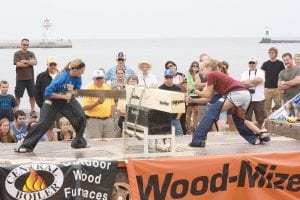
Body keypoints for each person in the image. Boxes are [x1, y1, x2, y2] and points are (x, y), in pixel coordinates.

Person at [189, 59, 270, 147]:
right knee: (240, 120)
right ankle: (259, 134)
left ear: (209, 68)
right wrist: (193, 100)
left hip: (236, 93)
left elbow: (207, 94)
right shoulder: (219, 76)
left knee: (212, 111)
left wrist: (193, 90)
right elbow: (208, 99)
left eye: (202, 69)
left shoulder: (212, 74)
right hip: (246, 94)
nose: (201, 72)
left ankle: (198, 140)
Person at [15, 58, 87, 153]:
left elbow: (76, 90)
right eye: (82, 71)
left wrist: (71, 92)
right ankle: (26, 145)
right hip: (52, 100)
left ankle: (78, 141)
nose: (83, 72)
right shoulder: (62, 77)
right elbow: (48, 93)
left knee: (81, 117)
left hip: (65, 100)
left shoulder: (78, 77)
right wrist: (64, 96)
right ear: (75, 69)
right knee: (44, 123)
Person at [82, 69, 115, 139]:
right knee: (95, 144)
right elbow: (84, 107)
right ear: (93, 79)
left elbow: (112, 104)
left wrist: (112, 119)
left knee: (110, 142)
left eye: (101, 78)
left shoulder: (107, 87)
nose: (100, 80)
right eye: (97, 78)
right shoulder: (88, 89)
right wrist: (97, 103)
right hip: (94, 120)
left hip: (108, 120)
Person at [35, 56, 60, 141]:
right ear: (47, 65)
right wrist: (41, 104)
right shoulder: (41, 76)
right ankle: (47, 143)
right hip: (46, 105)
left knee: (63, 125)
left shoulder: (61, 75)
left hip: (60, 105)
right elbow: (36, 91)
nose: (53, 66)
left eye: (54, 64)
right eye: (51, 64)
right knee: (47, 126)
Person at [13, 38, 37, 116]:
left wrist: (25, 61)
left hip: (30, 78)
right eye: (24, 44)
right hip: (20, 78)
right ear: (21, 44)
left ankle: (33, 110)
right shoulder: (17, 54)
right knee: (18, 96)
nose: (25, 46)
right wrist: (30, 63)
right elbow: (18, 64)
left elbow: (35, 62)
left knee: (32, 95)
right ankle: (16, 110)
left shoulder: (31, 53)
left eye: (27, 45)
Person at [241, 58, 266, 129]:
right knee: (247, 118)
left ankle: (261, 131)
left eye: (253, 63)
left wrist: (248, 82)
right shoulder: (245, 73)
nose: (252, 64)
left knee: (261, 119)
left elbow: (260, 80)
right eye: (250, 63)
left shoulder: (261, 72)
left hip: (259, 98)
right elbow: (242, 83)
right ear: (248, 64)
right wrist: (253, 83)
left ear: (256, 64)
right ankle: (249, 132)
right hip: (248, 99)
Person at [159, 69, 183, 136]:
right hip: (164, 118)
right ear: (164, 78)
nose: (169, 79)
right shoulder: (160, 89)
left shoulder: (178, 89)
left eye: (170, 77)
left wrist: (178, 117)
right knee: (164, 135)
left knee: (180, 134)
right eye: (167, 77)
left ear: (173, 77)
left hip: (175, 117)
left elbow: (181, 104)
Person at [261, 47, 285, 116]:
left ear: (276, 54)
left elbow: (283, 75)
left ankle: (278, 120)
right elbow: (262, 75)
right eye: (270, 52)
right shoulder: (265, 64)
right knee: (266, 107)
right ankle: (267, 121)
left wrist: (282, 86)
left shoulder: (280, 63)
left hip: (277, 88)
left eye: (273, 52)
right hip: (267, 88)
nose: (271, 54)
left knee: (278, 106)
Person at [185, 61, 200, 134]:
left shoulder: (199, 74)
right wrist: (198, 84)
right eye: (193, 66)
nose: (195, 67)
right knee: (189, 113)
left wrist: (198, 85)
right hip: (190, 95)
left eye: (197, 66)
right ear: (191, 67)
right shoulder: (188, 74)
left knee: (196, 112)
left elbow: (195, 85)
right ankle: (188, 129)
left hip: (197, 94)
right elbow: (192, 85)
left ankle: (195, 128)